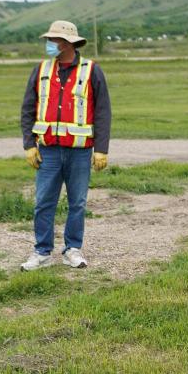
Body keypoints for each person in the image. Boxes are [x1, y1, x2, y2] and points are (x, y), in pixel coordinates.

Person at [19, 20, 111, 271]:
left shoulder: (92, 70)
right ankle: (42, 252)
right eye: (48, 40)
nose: (49, 45)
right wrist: (29, 144)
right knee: (43, 202)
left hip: (80, 152)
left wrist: (101, 149)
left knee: (77, 203)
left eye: (54, 40)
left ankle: (72, 248)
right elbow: (28, 109)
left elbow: (102, 112)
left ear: (68, 43)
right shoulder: (41, 70)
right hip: (47, 150)